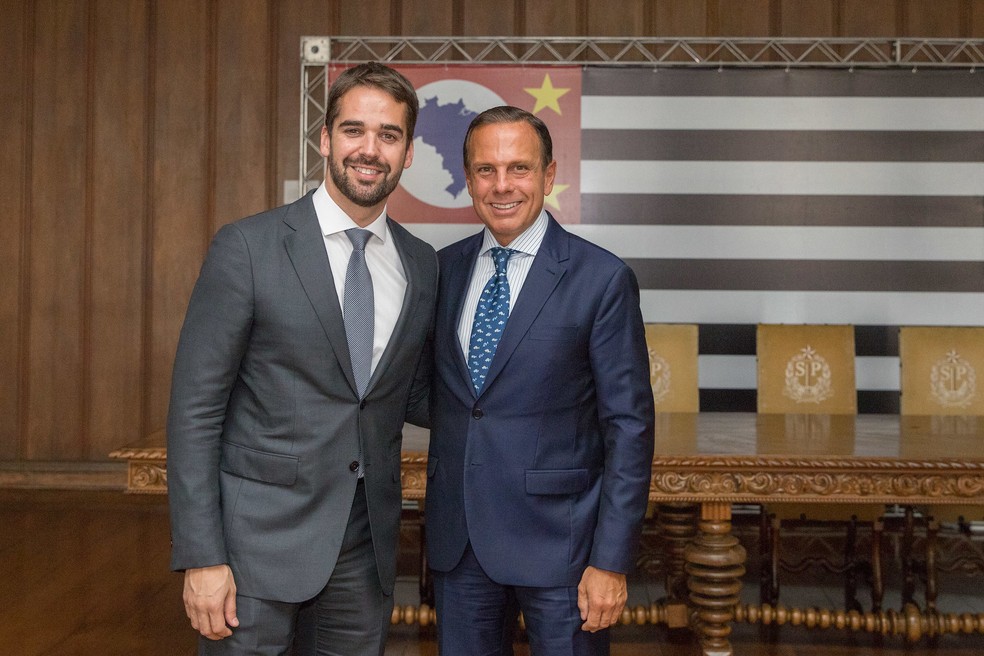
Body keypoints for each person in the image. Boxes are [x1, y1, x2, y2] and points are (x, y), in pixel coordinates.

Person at [166, 62, 437, 655]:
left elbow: (412, 393)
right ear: (323, 139)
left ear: (408, 152)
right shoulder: (248, 248)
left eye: (389, 135)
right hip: (251, 553)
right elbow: (195, 411)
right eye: (353, 130)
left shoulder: (422, 264)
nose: (370, 149)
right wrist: (202, 555)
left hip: (364, 554)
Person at [423, 105, 655, 655]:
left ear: (549, 175)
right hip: (459, 547)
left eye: (519, 168)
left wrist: (610, 560)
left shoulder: (602, 279)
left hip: (564, 551)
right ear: (468, 179)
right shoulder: (440, 270)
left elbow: (629, 429)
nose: (502, 185)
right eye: (486, 170)